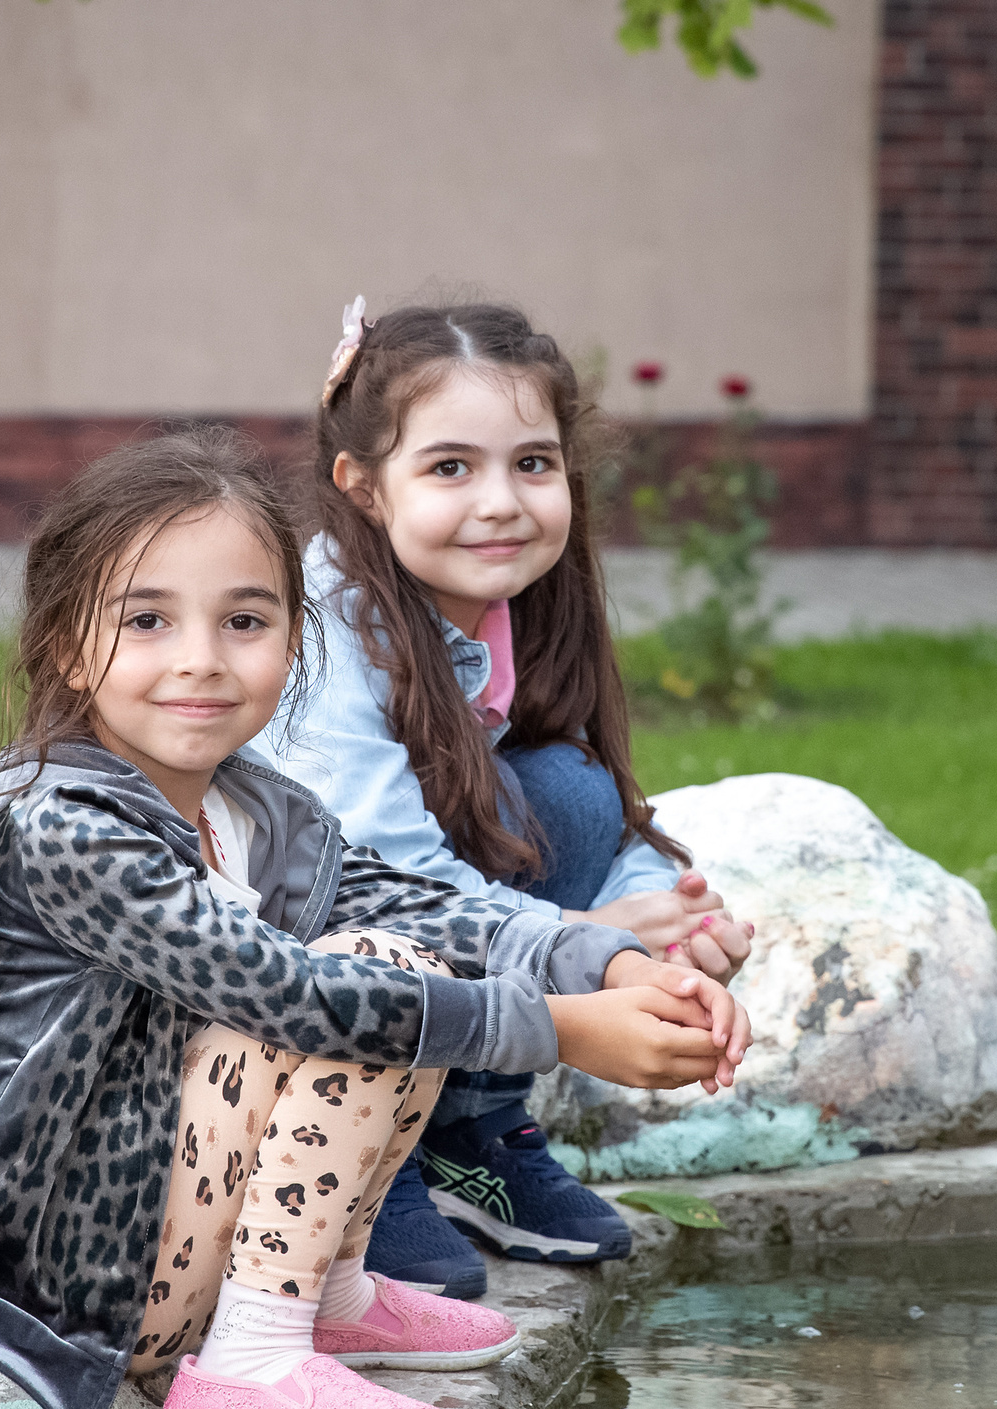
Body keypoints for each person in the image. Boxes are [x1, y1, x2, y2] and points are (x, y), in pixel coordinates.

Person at [0, 427, 749, 1409]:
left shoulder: (263, 811)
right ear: (68, 646)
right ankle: (249, 1364)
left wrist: (605, 962)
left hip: (144, 1225)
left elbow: (415, 902)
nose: (200, 660)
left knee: (402, 955)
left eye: (244, 620)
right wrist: (559, 1029)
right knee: (364, 991)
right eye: (147, 622)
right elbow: (291, 996)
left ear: (295, 641)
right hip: (50, 1275)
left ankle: (321, 1299)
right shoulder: (67, 830)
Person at [271, 300, 758, 1298]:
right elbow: (381, 882)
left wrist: (667, 921)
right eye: (450, 468)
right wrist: (587, 943)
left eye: (531, 465)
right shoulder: (325, 637)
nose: (501, 501)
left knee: (568, 791)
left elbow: (604, 807)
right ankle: (373, 1163)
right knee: (487, 862)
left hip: (427, 933)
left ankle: (471, 1134)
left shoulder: (501, 606)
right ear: (362, 487)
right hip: (312, 938)